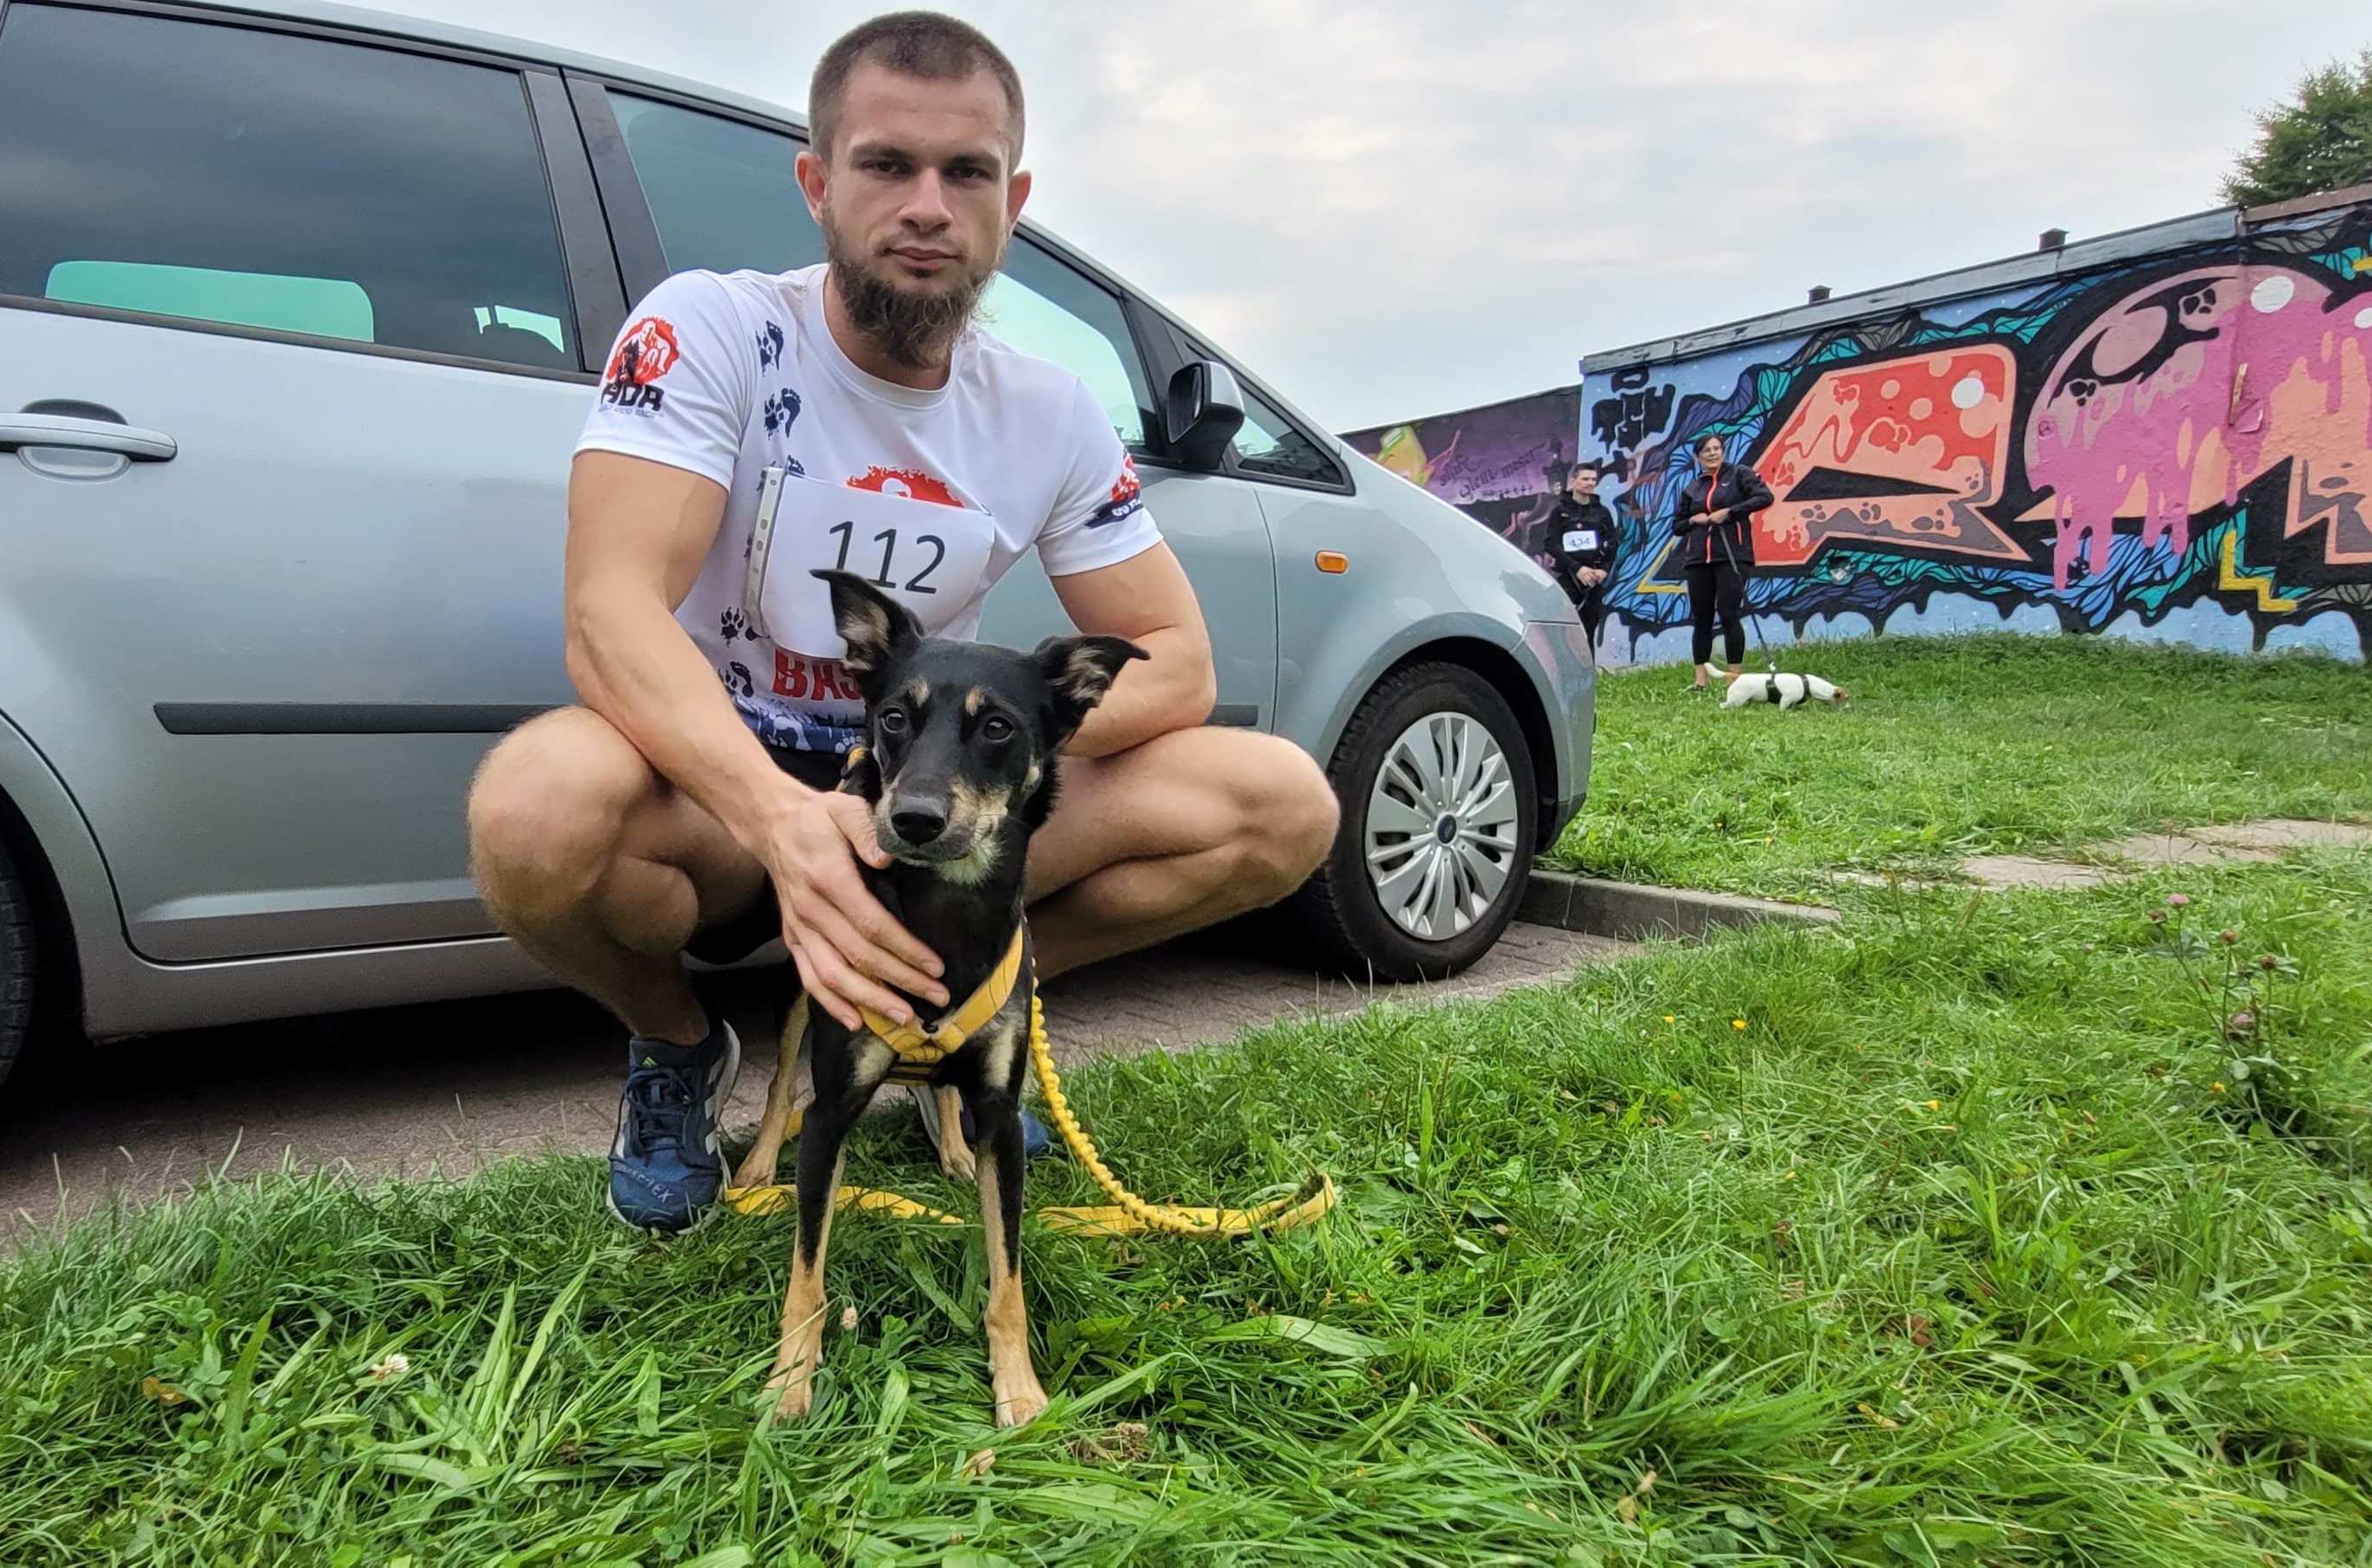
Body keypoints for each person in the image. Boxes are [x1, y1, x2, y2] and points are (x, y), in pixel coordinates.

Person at [466, 13, 1341, 1234]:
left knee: (1278, 802)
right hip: (726, 793)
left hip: (928, 790)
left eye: (966, 172)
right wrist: (782, 819)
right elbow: (607, 614)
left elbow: (1178, 665)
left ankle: (950, 1012)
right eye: (886, 165)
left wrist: (984, 760)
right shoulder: (712, 330)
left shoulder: (1052, 411)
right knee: (534, 805)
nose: (928, 204)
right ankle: (673, 1051)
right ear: (819, 184)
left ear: (1012, 200)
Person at [1674, 435, 1770, 690]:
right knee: (1701, 618)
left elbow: (1764, 497)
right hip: (1697, 559)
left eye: (1717, 449)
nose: (1713, 453)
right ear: (1698, 457)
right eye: (1707, 450)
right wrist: (1695, 521)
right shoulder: (1692, 488)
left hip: (1732, 555)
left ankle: (1734, 678)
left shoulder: (1740, 474)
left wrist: (1729, 512)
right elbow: (1677, 525)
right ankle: (1700, 680)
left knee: (1729, 614)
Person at [1536, 463, 1618, 651]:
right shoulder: (1560, 512)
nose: (1590, 483)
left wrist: (1603, 570)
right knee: (1565, 631)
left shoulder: (1602, 513)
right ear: (1573, 481)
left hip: (1593, 582)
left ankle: (1587, 675)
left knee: (1588, 631)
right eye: (1585, 479)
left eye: (1593, 480)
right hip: (1568, 578)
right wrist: (1577, 568)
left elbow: (1612, 544)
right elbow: (1551, 544)